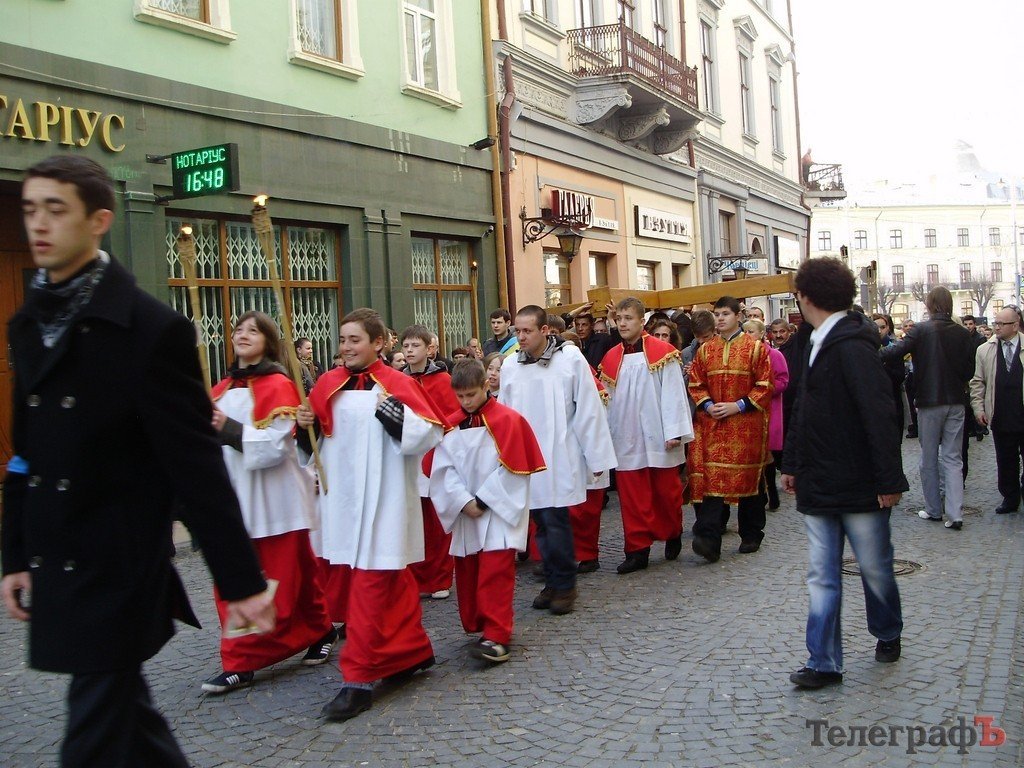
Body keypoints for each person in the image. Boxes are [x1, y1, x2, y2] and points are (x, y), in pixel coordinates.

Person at [2, 155, 274, 767]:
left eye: (55, 209)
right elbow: (27, 454)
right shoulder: (29, 322)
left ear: (99, 220)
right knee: (129, 727)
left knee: (92, 735)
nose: (38, 225)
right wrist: (16, 552)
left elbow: (195, 466)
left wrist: (240, 579)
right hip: (59, 556)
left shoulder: (151, 330)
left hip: (118, 565)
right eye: (29, 209)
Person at [298, 308, 444, 721]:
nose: (345, 347)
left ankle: (357, 679)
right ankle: (411, 651)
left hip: (385, 501)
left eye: (354, 340)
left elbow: (429, 432)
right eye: (342, 340)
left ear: (379, 343)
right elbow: (314, 442)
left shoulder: (397, 384)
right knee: (387, 584)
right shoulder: (328, 383)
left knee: (371, 587)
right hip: (343, 500)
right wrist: (303, 425)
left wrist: (394, 415)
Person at [781, 257, 907, 689]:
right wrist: (792, 463)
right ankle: (823, 662)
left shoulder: (853, 345)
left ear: (806, 297)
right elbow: (802, 409)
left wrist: (889, 481)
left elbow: (879, 415)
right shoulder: (810, 341)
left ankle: (888, 631)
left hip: (859, 485)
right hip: (819, 481)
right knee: (822, 574)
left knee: (873, 568)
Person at [203, 312, 337, 694]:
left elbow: (276, 449)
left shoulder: (280, 385)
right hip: (234, 498)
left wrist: (225, 429)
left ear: (269, 340)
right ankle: (242, 658)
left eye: (252, 330)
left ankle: (312, 631)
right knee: (234, 577)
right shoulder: (220, 389)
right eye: (237, 329)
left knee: (290, 577)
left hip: (275, 499)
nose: (242, 334)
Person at [499, 305, 617, 615]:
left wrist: (596, 456)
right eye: (517, 331)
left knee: (557, 520)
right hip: (527, 457)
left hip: (560, 453)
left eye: (526, 331)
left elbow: (589, 408)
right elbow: (504, 414)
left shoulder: (569, 360)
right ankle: (552, 581)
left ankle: (565, 584)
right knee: (539, 522)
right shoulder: (511, 366)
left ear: (544, 331)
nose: (520, 337)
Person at [428, 360, 546, 663]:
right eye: (461, 396)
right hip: (467, 510)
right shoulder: (451, 425)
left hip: (499, 510)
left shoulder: (509, 420)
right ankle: (480, 625)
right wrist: (462, 501)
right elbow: (443, 470)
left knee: (495, 572)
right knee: (469, 571)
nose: (466, 402)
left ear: (485, 386)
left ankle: (497, 634)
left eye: (471, 395)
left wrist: (483, 500)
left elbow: (514, 468)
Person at [600, 297, 693, 574]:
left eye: (628, 318)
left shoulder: (663, 352)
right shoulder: (610, 357)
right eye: (619, 319)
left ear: (642, 321)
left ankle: (672, 531)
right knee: (632, 497)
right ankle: (637, 549)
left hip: (659, 434)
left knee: (666, 493)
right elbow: (607, 400)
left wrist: (674, 430)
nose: (623, 324)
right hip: (626, 436)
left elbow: (674, 393)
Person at [881, 287, 975, 530]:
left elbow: (893, 353)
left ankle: (933, 508)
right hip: (956, 400)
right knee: (954, 458)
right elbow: (969, 371)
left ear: (930, 305)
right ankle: (955, 513)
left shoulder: (921, 330)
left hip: (929, 401)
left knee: (929, 456)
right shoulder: (963, 334)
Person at [687, 296, 773, 560]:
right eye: (717, 314)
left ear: (738, 315)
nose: (720, 318)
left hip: (745, 424)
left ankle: (751, 533)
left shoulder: (756, 349)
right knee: (712, 480)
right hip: (713, 426)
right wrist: (708, 404)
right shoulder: (705, 350)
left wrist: (739, 405)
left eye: (725, 313)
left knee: (748, 479)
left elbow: (766, 385)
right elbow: (696, 382)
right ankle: (708, 539)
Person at [400, 324, 459, 600]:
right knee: (413, 520)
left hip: (435, 455)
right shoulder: (398, 380)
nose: (410, 351)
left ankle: (439, 578)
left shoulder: (443, 380)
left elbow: (451, 419)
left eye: (415, 346)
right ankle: (415, 577)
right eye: (406, 346)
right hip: (407, 458)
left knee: (437, 522)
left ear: (429, 349)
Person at [970, 307, 1024, 514]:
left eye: (1002, 324)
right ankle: (1010, 498)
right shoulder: (985, 350)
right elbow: (977, 383)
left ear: (1015, 325)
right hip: (1001, 414)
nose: (997, 327)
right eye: (996, 323)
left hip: (1022, 411)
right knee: (1005, 459)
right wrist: (978, 409)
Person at [743, 319, 788, 511]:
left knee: (766, 451)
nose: (747, 336)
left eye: (751, 331)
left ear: (761, 334)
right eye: (744, 332)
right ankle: (759, 493)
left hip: (769, 408)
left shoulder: (774, 355)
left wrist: (764, 390)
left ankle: (771, 491)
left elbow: (783, 380)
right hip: (748, 409)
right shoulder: (743, 355)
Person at [872, 313, 907, 442]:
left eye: (882, 327)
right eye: (876, 327)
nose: (879, 331)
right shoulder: (867, 348)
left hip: (893, 403)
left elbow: (899, 376)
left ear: (888, 328)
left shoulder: (895, 348)